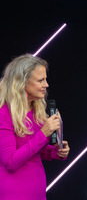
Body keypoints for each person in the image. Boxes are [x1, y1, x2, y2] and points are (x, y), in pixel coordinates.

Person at [0, 54, 70, 200]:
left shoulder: (36, 111)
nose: (46, 84)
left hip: (37, 192)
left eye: (45, 79)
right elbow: (10, 162)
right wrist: (43, 134)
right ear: (21, 83)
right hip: (14, 193)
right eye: (40, 80)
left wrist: (56, 151)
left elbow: (37, 151)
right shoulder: (4, 113)